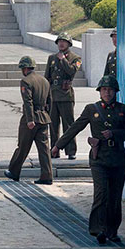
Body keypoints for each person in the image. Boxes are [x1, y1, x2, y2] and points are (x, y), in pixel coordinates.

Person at [52, 75, 125, 244]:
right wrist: (58, 145)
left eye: (110, 90)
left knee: (115, 196)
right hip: (99, 159)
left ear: (116, 92)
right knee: (101, 193)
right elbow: (75, 127)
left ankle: (112, 230)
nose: (107, 93)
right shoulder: (92, 109)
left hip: (118, 159)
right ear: (99, 92)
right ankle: (98, 230)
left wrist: (114, 134)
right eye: (104, 90)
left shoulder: (124, 110)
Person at [4, 56, 53, 185]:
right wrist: (47, 115)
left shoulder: (26, 81)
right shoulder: (44, 81)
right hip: (43, 117)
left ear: (25, 68)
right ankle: (47, 175)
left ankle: (14, 171)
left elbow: (28, 101)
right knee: (44, 149)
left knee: (23, 146)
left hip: (31, 118)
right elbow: (49, 101)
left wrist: (30, 119)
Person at [45, 31, 82, 160]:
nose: (61, 43)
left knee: (69, 124)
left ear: (69, 43)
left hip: (66, 96)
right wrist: (46, 96)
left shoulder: (76, 58)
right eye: (59, 41)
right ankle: (55, 150)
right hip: (53, 95)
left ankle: (71, 150)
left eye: (64, 41)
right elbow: (47, 78)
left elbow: (71, 71)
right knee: (53, 125)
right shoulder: (52, 58)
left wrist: (64, 60)